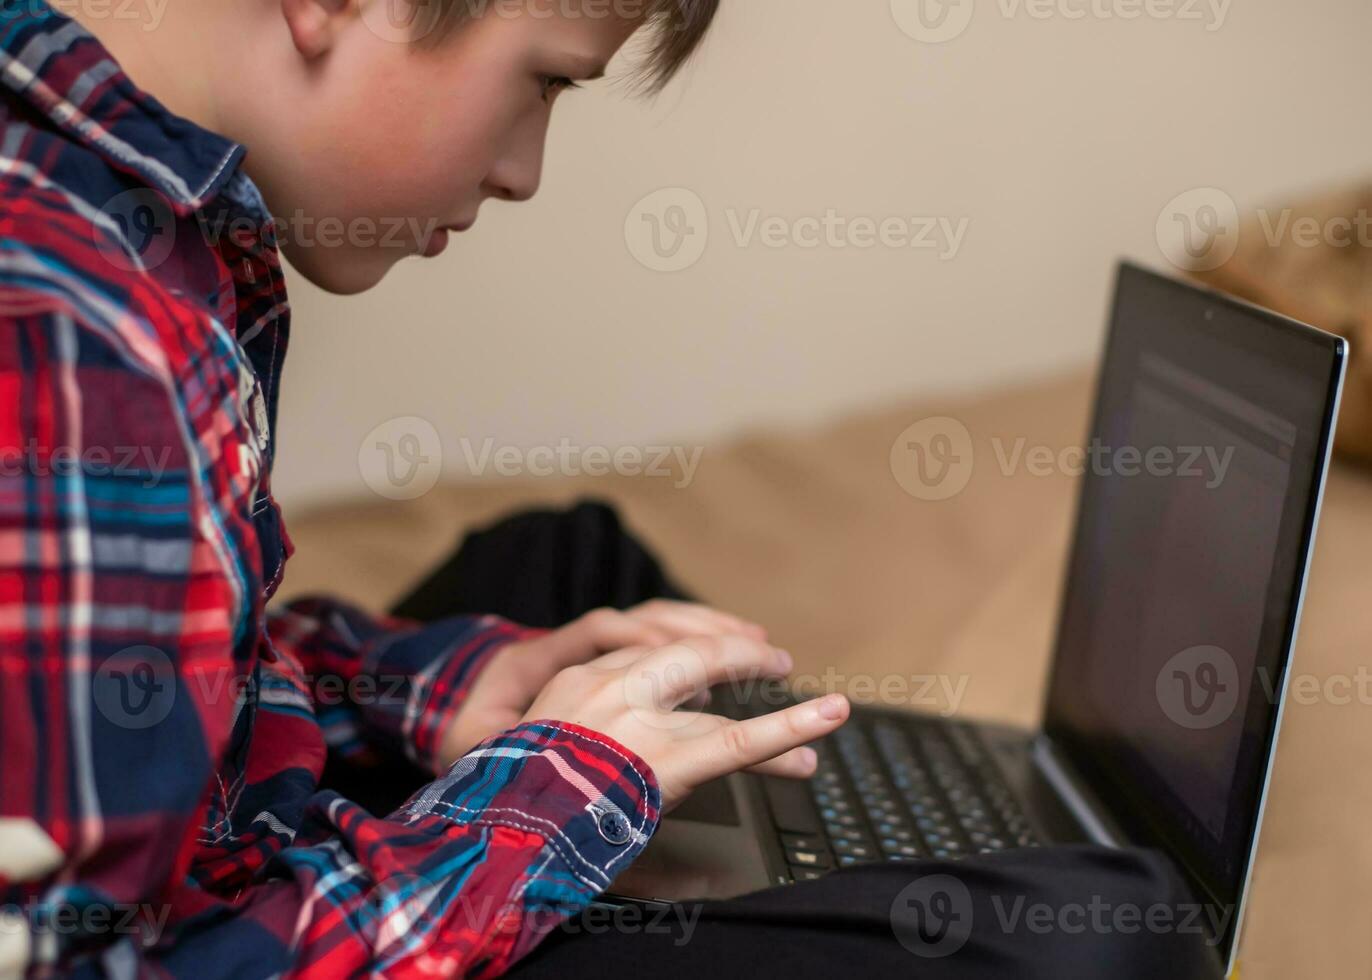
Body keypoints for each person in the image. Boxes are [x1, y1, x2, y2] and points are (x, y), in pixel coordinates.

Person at [0, 2, 1224, 976]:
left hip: (228, 850)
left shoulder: (129, 221)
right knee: (1110, 931)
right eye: (546, 78)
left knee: (564, 561)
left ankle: (748, 849)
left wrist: (417, 691)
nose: (528, 171)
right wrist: (549, 795)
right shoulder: (65, 330)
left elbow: (158, 685)